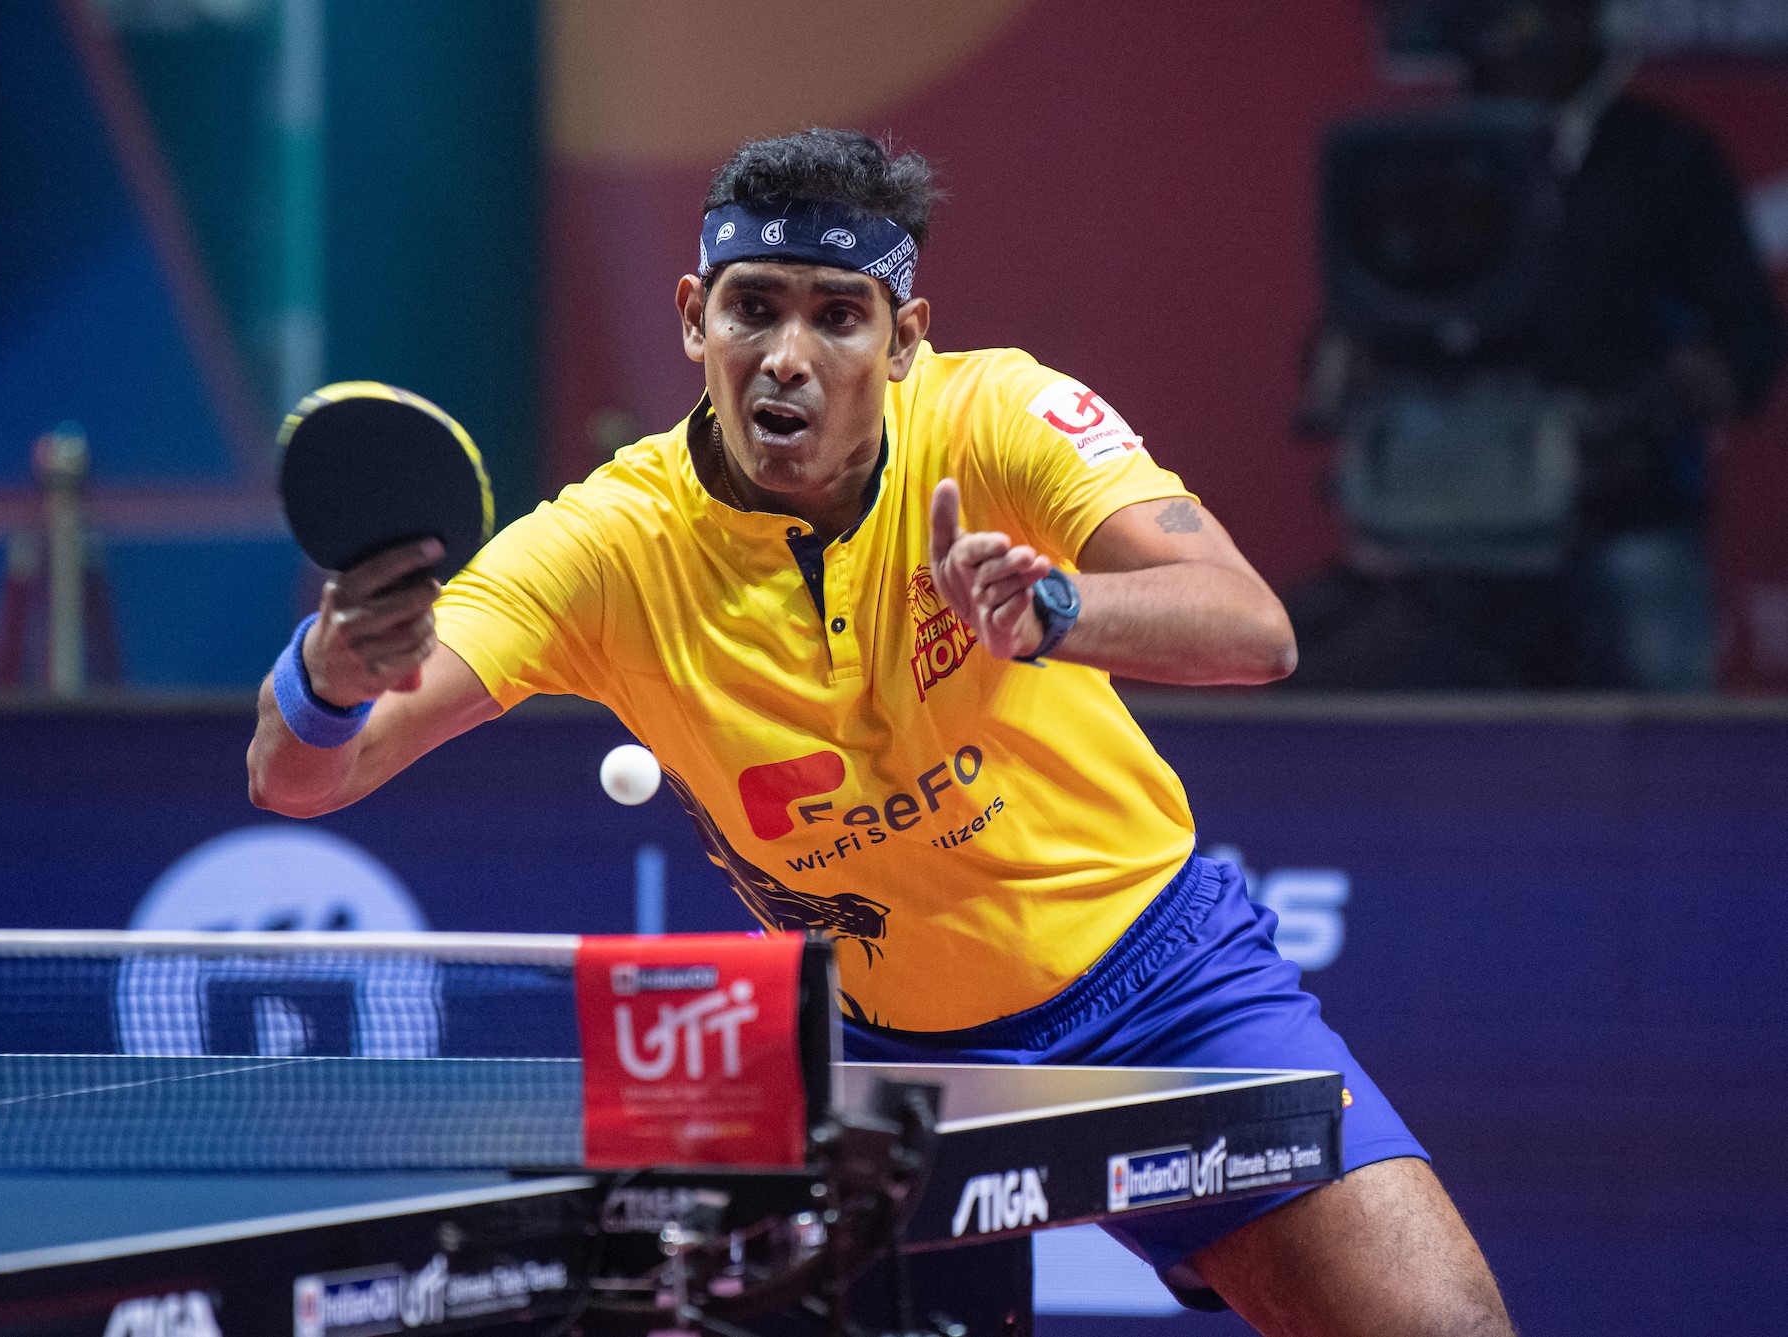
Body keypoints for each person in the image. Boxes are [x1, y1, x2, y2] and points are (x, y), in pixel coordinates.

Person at [250, 129, 1516, 1334]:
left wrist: (1056, 608)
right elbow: (303, 775)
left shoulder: (1001, 417)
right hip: (874, 1064)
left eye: (836, 315)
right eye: (753, 308)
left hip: (1166, 989)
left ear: (904, 338)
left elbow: (1252, 629)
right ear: (694, 316)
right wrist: (332, 670)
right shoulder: (604, 549)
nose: (787, 355)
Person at [1292, 0, 1784, 691]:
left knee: (1660, 748)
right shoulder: (1424, 156)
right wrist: (1343, 365)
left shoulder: (1665, 153)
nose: (1522, 32)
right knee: (1432, 746)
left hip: (1624, 512)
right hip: (1442, 525)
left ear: (1592, 19)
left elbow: (1749, 335)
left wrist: (1694, 387)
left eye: (1548, 11)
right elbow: (1366, 312)